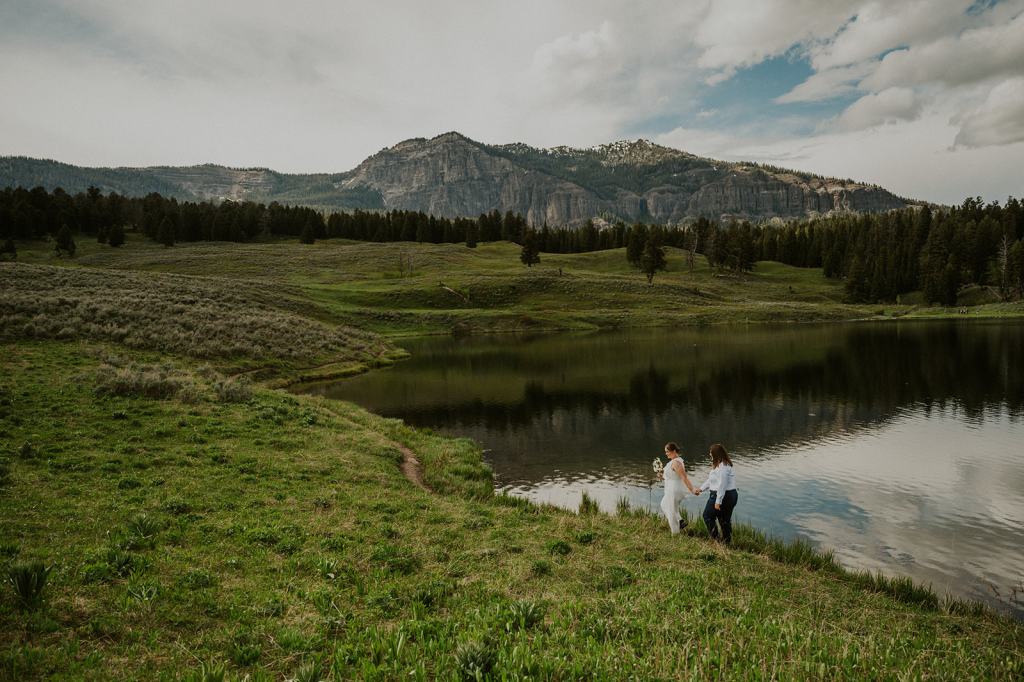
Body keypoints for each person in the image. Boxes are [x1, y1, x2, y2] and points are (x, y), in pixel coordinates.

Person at [694, 443, 738, 544]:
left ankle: (716, 540)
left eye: (711, 453)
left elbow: (722, 485)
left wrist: (718, 501)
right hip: (729, 495)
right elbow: (711, 480)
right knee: (724, 520)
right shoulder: (720, 465)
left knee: (707, 516)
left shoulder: (723, 467)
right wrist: (701, 489)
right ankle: (726, 543)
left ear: (716, 454)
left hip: (723, 495)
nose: (710, 454)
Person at [659, 442, 696, 534]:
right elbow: (672, 476)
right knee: (665, 505)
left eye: (667, 451)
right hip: (671, 488)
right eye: (665, 452)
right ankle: (680, 521)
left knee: (671, 510)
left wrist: (692, 489)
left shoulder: (676, 463)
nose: (666, 453)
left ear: (674, 451)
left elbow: (684, 477)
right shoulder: (673, 461)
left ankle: (675, 533)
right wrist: (662, 476)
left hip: (674, 490)